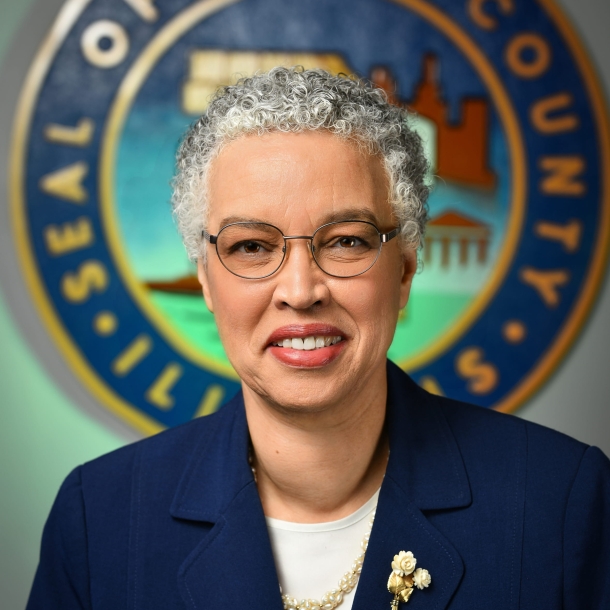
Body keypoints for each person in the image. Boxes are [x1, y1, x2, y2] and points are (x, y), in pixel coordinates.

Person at [27, 67, 610, 610]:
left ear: (404, 271)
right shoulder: (97, 520)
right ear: (206, 279)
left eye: (347, 241)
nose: (301, 290)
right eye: (251, 246)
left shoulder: (560, 505)